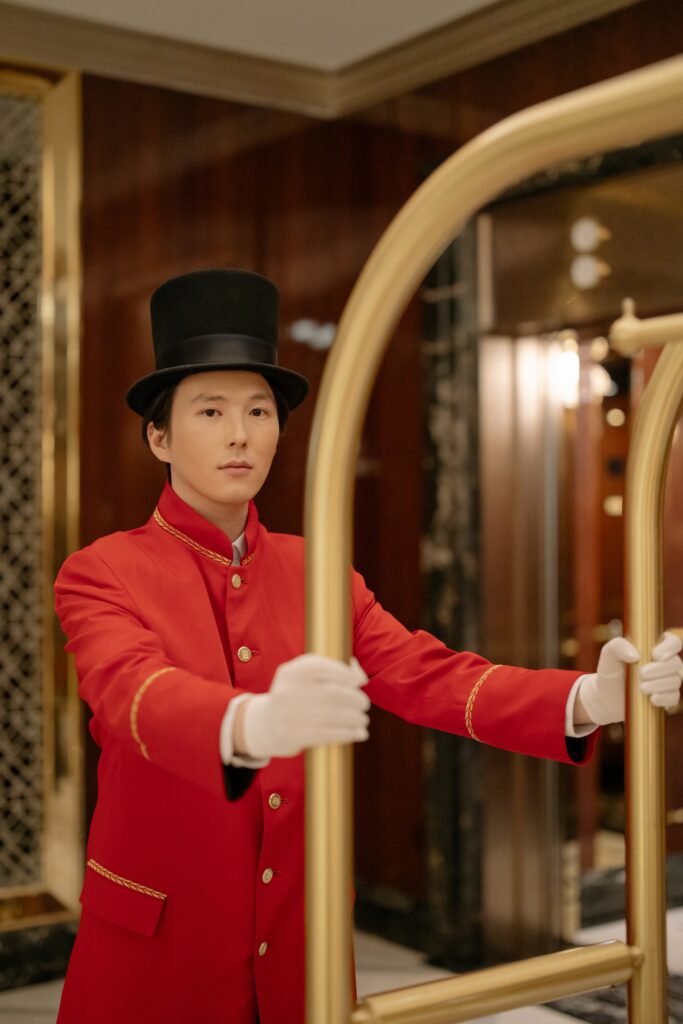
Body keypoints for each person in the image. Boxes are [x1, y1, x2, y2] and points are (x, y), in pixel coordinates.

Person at [54, 269, 683, 1024]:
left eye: (259, 411)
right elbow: (130, 692)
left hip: (299, 942)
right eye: (211, 410)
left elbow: (423, 674)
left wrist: (585, 698)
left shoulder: (313, 568)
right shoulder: (101, 570)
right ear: (159, 435)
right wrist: (246, 725)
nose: (239, 434)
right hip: (157, 953)